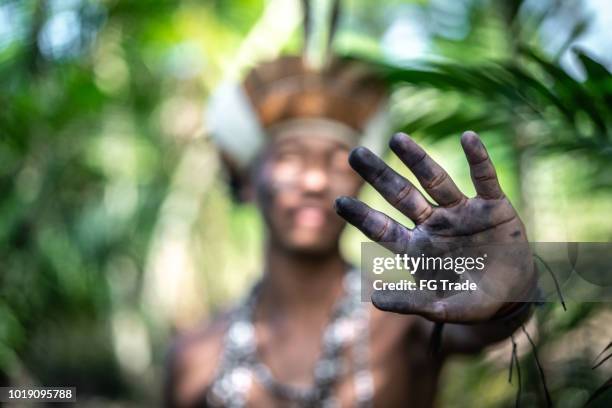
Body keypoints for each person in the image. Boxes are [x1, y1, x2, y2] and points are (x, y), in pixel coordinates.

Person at [164, 53, 536, 408]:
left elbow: (479, 327)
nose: (313, 180)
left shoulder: (406, 315)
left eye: (337, 160)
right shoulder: (194, 357)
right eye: (289, 157)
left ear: (361, 182)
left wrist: (507, 290)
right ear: (246, 180)